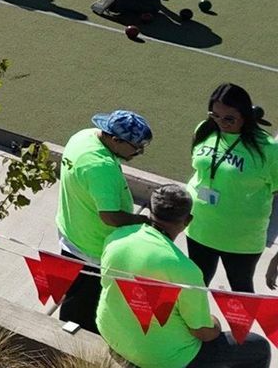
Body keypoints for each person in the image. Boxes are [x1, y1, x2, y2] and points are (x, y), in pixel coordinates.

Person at [99, 184, 272, 367]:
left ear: (150, 209)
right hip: (163, 358)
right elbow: (203, 333)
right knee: (259, 347)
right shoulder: (185, 269)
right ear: (188, 221)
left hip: (112, 335)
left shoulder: (117, 238)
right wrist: (215, 323)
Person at [57, 109, 153, 332]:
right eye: (136, 148)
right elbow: (110, 216)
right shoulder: (101, 167)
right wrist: (142, 221)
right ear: (116, 139)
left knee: (75, 295)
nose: (138, 152)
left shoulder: (84, 136)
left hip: (73, 230)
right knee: (83, 307)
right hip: (91, 249)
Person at [184, 84, 278, 294]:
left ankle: (241, 329)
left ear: (245, 116)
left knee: (241, 293)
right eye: (214, 115)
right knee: (195, 290)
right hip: (199, 228)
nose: (220, 123)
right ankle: (200, 328)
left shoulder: (269, 150)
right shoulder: (204, 130)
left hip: (241, 239)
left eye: (229, 118)